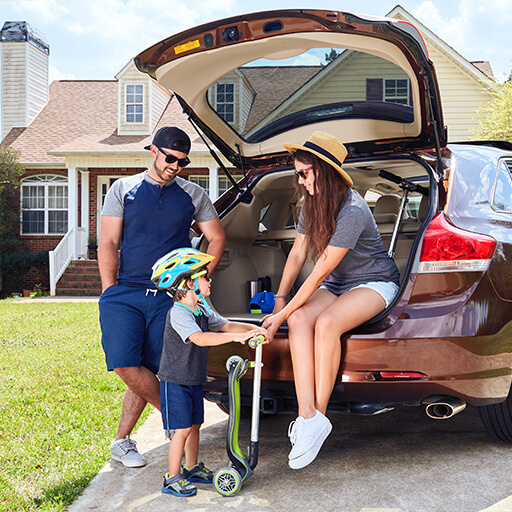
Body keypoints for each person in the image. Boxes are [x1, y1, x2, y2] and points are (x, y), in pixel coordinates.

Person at [262, 131, 400, 470]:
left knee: (326, 325)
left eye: (304, 173)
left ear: (323, 171)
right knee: (298, 320)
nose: (300, 180)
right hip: (339, 285)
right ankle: (305, 415)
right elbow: (297, 254)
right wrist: (281, 302)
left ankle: (318, 420)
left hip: (375, 282)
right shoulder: (312, 205)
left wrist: (279, 316)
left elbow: (320, 270)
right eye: (297, 173)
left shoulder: (352, 209)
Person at [98, 126, 226, 468]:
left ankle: (121, 442)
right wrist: (109, 288)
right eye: (170, 158)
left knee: (153, 367)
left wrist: (199, 279)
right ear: (153, 151)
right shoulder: (123, 189)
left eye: (182, 161)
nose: (175, 166)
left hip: (170, 296)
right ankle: (174, 420)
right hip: (125, 290)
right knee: (124, 364)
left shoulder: (193, 194)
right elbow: (108, 242)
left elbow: (216, 238)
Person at [151, 247, 269, 497]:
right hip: (175, 381)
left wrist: (253, 329)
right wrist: (238, 339)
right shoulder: (179, 313)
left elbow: (225, 325)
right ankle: (172, 477)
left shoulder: (201, 308)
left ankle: (191, 467)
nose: (210, 279)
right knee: (181, 429)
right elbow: (201, 339)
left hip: (193, 378)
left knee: (195, 425)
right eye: (205, 276)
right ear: (189, 282)